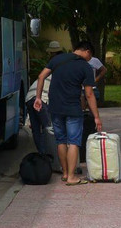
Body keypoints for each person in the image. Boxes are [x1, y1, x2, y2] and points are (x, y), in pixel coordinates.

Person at [34, 40, 102, 185]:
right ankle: (72, 177)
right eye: (90, 57)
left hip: (55, 107)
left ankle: (65, 173)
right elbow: (89, 94)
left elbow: (41, 77)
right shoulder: (85, 66)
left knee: (61, 140)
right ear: (87, 52)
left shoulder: (57, 59)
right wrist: (96, 117)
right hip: (73, 109)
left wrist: (38, 98)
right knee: (74, 142)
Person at [24, 40, 61, 150]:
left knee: (36, 130)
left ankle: (42, 155)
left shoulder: (49, 65)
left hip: (30, 97)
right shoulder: (60, 68)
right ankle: (50, 156)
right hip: (41, 98)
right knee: (48, 129)